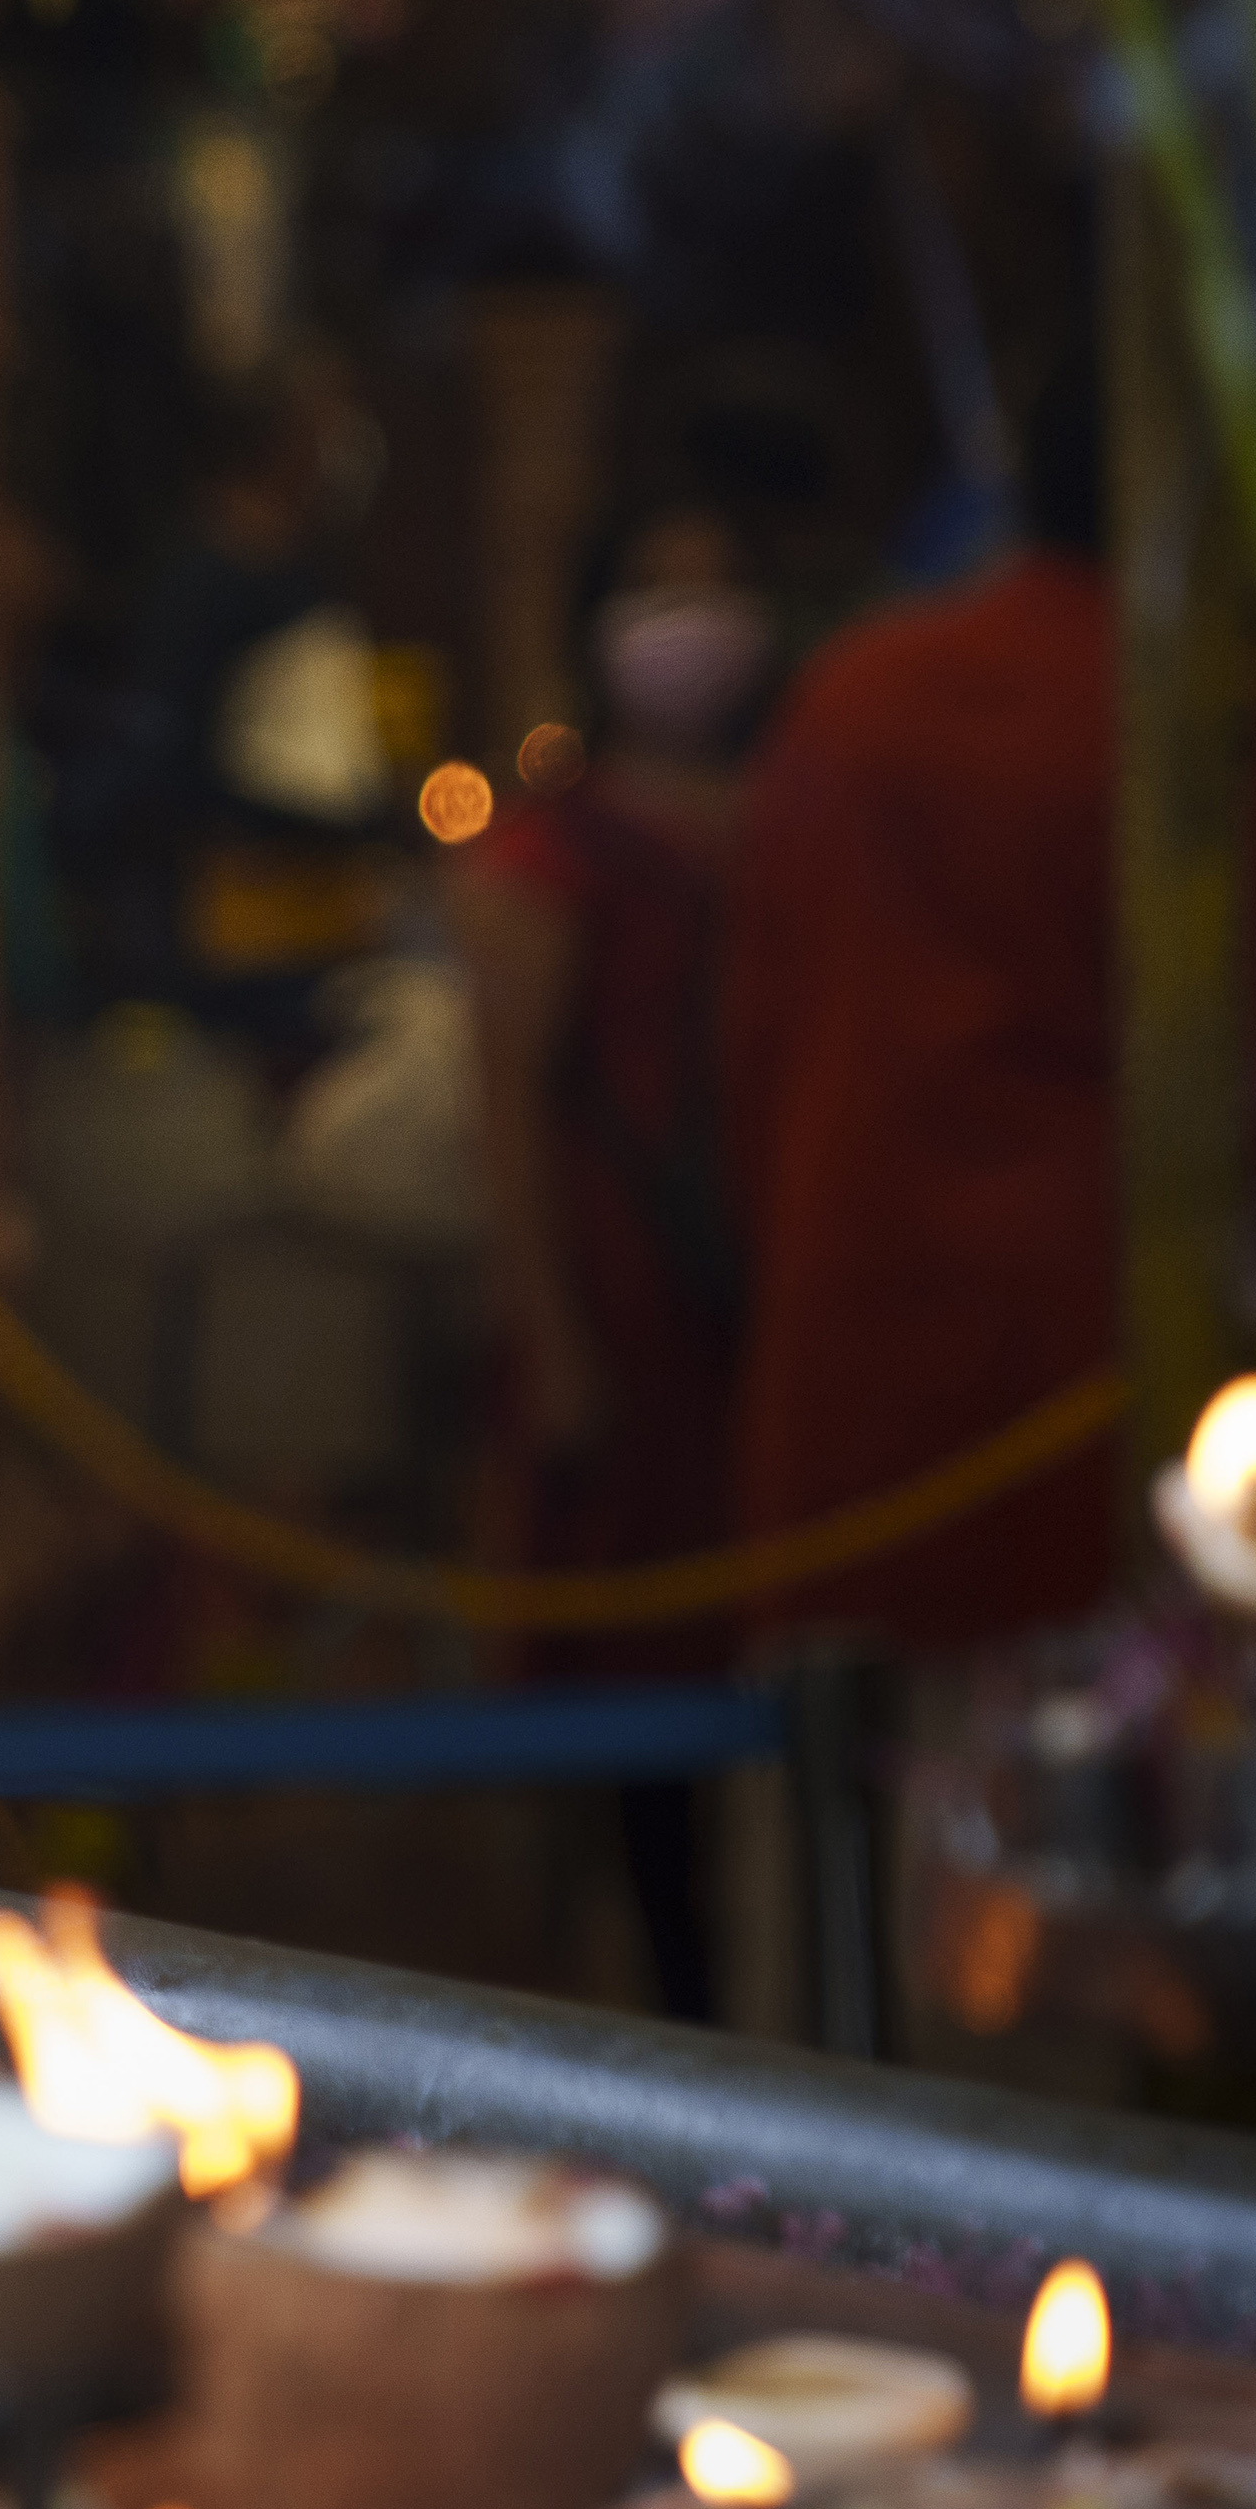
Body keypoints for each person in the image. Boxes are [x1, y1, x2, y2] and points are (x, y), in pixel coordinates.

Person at [723, 352, 1126, 1643]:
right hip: (1095, 1334)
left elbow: (751, 1029)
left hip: (857, 1298)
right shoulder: (1185, 709)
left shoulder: (857, 693)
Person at [451, 494, 781, 2019]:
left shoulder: (788, 812)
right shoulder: (553, 850)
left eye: (717, 585)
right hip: (621, 1298)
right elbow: (510, 1101)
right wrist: (553, 1335)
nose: (689, 622)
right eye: (655, 589)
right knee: (624, 1667)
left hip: (765, 1312)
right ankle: (640, 1998)